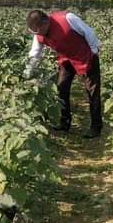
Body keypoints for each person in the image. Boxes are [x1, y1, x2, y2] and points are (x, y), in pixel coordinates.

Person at [24, 10, 102, 139]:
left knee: (92, 91)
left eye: (38, 31)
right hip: (66, 59)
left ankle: (96, 127)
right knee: (61, 89)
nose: (37, 34)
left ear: (45, 23)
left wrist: (93, 51)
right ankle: (64, 123)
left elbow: (89, 32)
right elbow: (35, 53)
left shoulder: (67, 18)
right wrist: (27, 73)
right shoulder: (38, 33)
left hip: (85, 57)